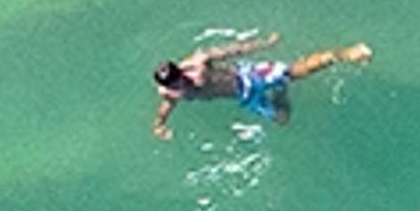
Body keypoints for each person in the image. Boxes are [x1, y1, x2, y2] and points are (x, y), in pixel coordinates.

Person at [152, 34, 371, 138]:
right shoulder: (172, 92)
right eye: (174, 81)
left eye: (179, 76)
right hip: (244, 97)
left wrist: (264, 44)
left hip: (248, 77)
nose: (181, 81)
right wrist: (160, 124)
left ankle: (346, 54)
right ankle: (280, 90)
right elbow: (166, 105)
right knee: (282, 118)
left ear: (180, 70)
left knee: (297, 71)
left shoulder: (198, 63)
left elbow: (233, 50)